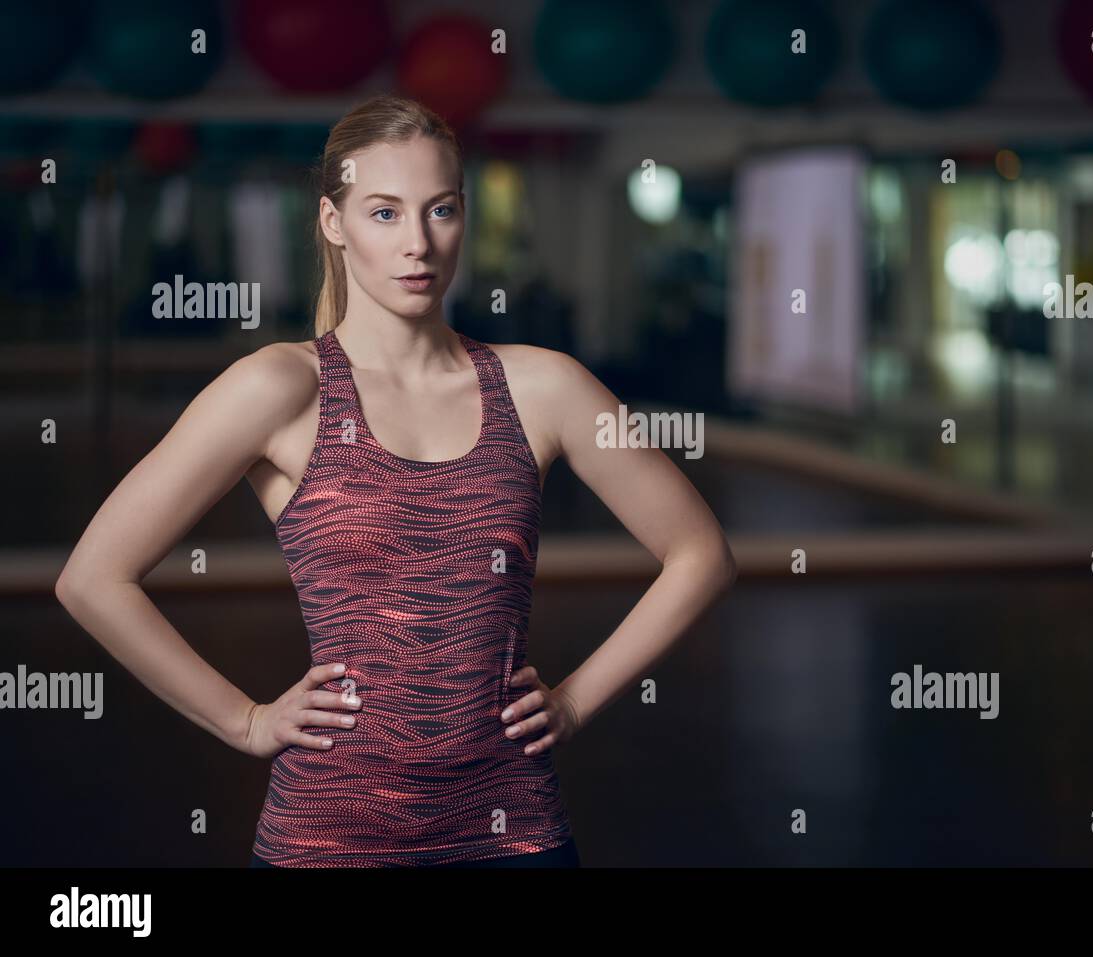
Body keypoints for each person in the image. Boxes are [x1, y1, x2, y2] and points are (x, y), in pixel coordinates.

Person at [54, 94, 737, 868]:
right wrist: (245, 721)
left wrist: (575, 701)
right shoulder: (280, 388)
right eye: (384, 213)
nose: (418, 242)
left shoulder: (543, 388)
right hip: (327, 837)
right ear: (333, 222)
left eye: (440, 210)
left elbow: (700, 553)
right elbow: (93, 578)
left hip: (513, 833)